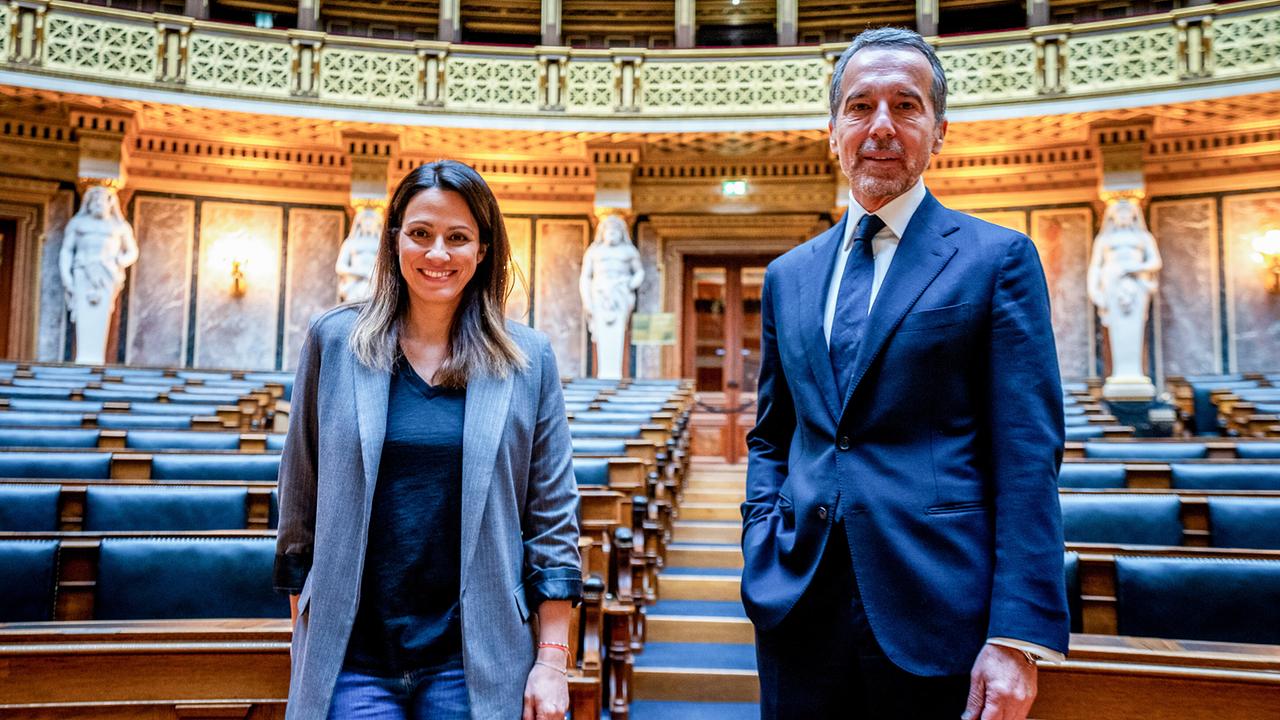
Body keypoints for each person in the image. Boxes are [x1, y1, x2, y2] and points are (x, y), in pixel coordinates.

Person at [740, 27, 1068, 720]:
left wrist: (1018, 634)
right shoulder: (787, 276)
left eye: (906, 105)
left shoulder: (997, 258)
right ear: (833, 131)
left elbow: (1027, 453)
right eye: (860, 107)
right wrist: (761, 535)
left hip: (939, 607)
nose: (881, 126)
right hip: (797, 604)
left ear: (938, 130)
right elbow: (773, 435)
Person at [274, 160, 583, 720]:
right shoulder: (333, 341)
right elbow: (300, 503)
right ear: (395, 239)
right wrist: (305, 635)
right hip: (352, 659)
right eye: (420, 233)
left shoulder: (528, 359)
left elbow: (552, 520)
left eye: (457, 237)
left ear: (483, 250)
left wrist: (552, 660)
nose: (437, 253)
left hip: (474, 660)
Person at [58, 185, 139, 364]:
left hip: (106, 274)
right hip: (82, 271)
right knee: (83, 315)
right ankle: (84, 358)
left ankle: (95, 359)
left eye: (102, 200)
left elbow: (132, 252)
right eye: (94, 200)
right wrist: (67, 278)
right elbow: (66, 251)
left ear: (111, 204)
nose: (98, 204)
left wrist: (120, 261)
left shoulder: (119, 226)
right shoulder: (78, 224)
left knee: (101, 316)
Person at [1087, 197, 1162, 384]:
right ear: (1112, 216)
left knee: (1134, 328)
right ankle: (1119, 373)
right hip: (1111, 285)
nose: (1123, 216)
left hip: (1137, 286)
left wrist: (1134, 268)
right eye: (1119, 213)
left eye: (1127, 212)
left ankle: (1134, 373)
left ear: (1134, 215)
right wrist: (1094, 290)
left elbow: (1155, 262)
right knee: (1116, 328)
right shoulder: (1104, 239)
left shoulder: (1144, 237)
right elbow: (1095, 266)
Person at [579, 213, 644, 379]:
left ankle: (614, 373)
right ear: (602, 232)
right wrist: (587, 301)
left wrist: (630, 284)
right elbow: (585, 277)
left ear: (622, 233)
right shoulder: (594, 252)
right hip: (599, 294)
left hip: (620, 294)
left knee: (617, 331)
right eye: (609, 230)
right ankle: (605, 373)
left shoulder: (629, 251)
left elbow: (639, 272)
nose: (612, 233)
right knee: (602, 332)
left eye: (616, 230)